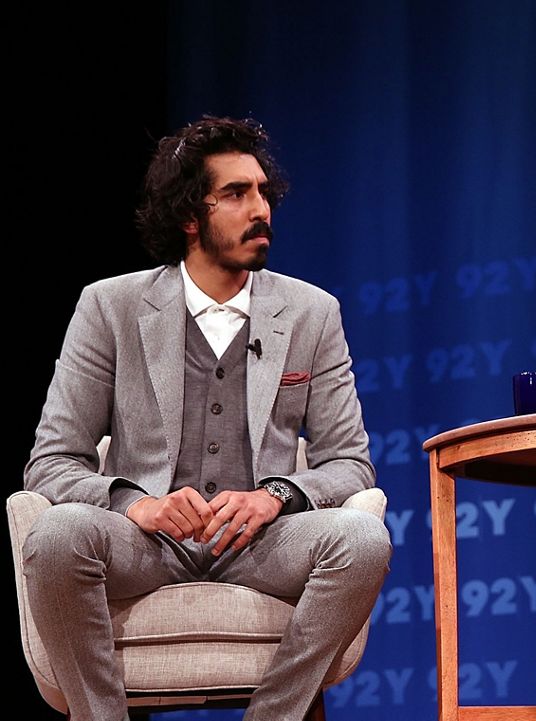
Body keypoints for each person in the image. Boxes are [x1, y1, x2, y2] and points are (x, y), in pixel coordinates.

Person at [22, 116, 392, 721]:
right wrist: (135, 504)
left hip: (264, 543)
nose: (262, 209)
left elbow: (350, 463)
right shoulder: (110, 307)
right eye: (237, 193)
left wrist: (273, 496)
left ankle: (274, 714)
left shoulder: (310, 312)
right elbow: (52, 460)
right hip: (145, 542)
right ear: (190, 216)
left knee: (362, 539)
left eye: (265, 192)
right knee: (57, 535)